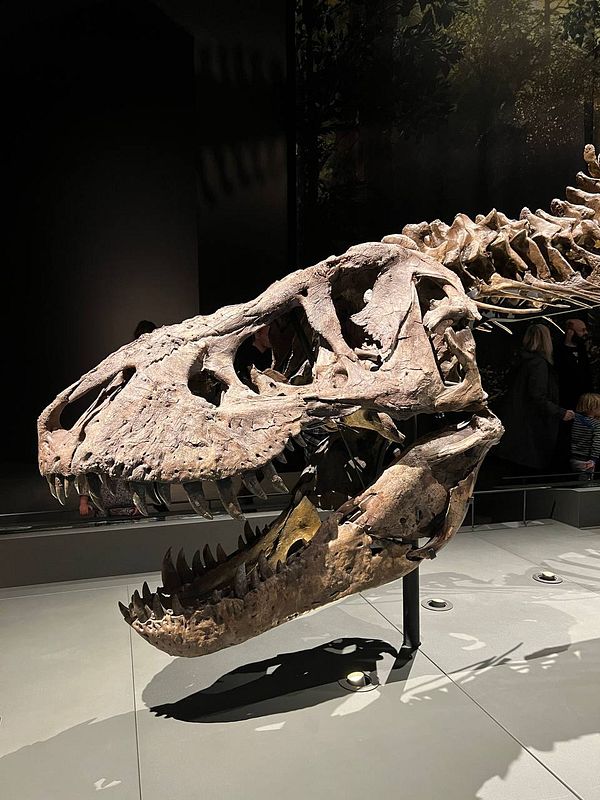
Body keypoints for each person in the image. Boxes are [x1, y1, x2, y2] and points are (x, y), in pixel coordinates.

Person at [79, 319, 160, 517]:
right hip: (128, 427)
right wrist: (84, 499)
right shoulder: (125, 373)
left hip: (142, 429)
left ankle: (141, 501)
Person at [494, 323, 575, 475]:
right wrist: (560, 412)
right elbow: (538, 396)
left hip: (514, 428)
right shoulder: (538, 364)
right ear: (546, 340)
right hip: (529, 431)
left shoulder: (522, 360)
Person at [554, 318, 592, 410]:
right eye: (582, 330)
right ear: (571, 332)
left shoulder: (582, 349)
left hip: (584, 397)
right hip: (567, 398)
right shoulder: (559, 350)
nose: (585, 333)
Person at [570, 393, 600, 480]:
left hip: (573, 457)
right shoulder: (596, 424)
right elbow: (597, 443)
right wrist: (593, 459)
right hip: (587, 460)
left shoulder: (575, 420)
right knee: (585, 483)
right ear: (593, 408)